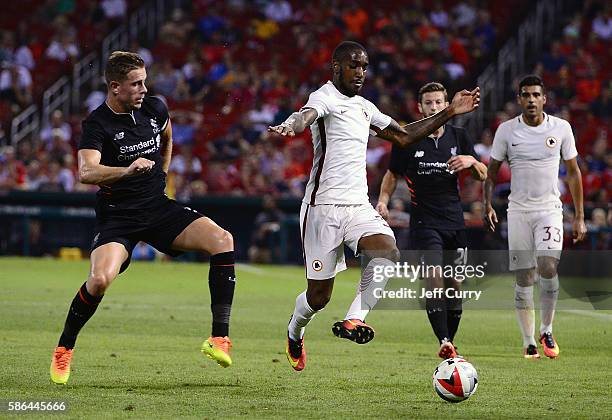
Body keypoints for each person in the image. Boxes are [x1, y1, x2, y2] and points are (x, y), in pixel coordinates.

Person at [268, 41, 479, 371]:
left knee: (387, 251)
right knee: (318, 298)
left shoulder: (366, 107)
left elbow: (405, 136)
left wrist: (450, 112)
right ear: (337, 67)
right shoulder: (324, 97)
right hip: (322, 208)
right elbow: (305, 115)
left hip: (357, 206)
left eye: (365, 66)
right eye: (354, 65)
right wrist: (291, 125)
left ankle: (354, 320)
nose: (361, 72)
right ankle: (295, 331)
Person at [50, 51, 237, 385]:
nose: (143, 89)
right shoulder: (97, 124)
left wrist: (162, 173)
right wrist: (127, 170)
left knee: (223, 240)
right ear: (115, 87)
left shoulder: (154, 107)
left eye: (144, 81)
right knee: (100, 280)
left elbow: (167, 135)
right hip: (118, 217)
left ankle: (218, 338)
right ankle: (64, 348)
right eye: (136, 84)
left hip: (158, 208)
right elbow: (86, 171)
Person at [375, 82, 487, 359]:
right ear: (420, 107)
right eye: (429, 103)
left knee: (454, 283)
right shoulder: (408, 138)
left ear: (446, 103)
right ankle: (443, 340)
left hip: (455, 222)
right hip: (424, 223)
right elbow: (392, 174)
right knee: (433, 278)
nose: (434, 107)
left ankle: (451, 341)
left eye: (439, 102)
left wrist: (470, 161)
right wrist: (383, 200)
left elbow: (483, 174)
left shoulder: (459, 136)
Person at [484, 75, 586, 360]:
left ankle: (547, 328)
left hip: (550, 210)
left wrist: (579, 216)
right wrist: (487, 205)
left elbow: (574, 172)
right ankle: (529, 341)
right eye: (526, 95)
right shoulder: (506, 131)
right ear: (519, 99)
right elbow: (490, 174)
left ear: (544, 98)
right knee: (524, 276)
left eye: (535, 95)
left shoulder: (561, 128)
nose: (531, 100)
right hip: (518, 212)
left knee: (548, 266)